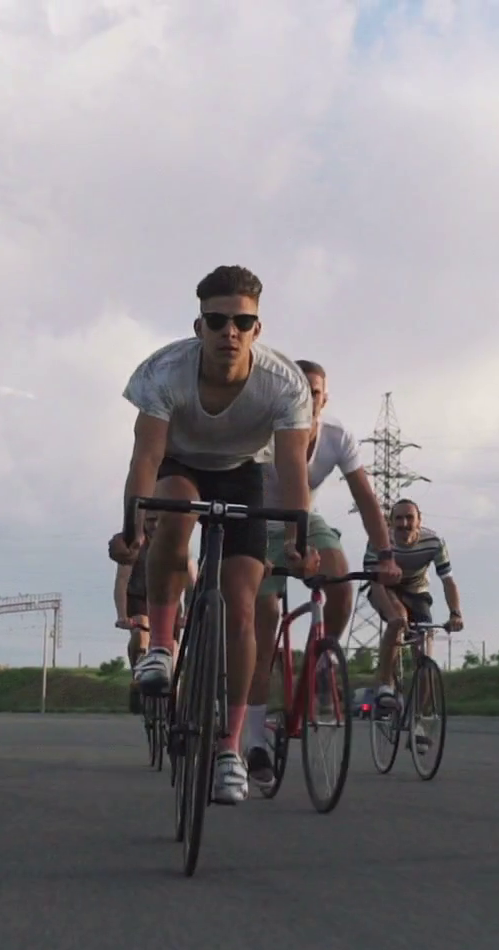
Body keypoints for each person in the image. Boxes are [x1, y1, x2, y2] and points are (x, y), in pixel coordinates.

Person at [108, 265, 317, 805]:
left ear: (256, 329)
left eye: (241, 322)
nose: (230, 331)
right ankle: (161, 644)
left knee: (243, 604)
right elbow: (145, 457)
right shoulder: (164, 372)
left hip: (243, 470)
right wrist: (132, 525)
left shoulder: (284, 382)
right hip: (181, 462)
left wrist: (297, 541)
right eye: (217, 320)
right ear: (198, 326)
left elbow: (292, 472)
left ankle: (229, 748)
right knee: (174, 506)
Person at [243, 360, 399, 788]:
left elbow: (366, 498)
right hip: (259, 524)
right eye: (300, 390)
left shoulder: (336, 437)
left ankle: (322, 660)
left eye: (316, 392)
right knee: (264, 624)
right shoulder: (264, 432)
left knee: (341, 582)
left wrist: (385, 552)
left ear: (324, 399)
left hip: (305, 521)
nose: (308, 398)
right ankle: (255, 742)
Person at [364, 499, 465, 729]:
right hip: (384, 587)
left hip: (417, 591)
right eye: (398, 518)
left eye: (410, 518)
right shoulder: (380, 541)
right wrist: (393, 617)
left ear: (420, 522)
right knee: (398, 619)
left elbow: (447, 580)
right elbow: (376, 584)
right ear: (390, 522)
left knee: (424, 653)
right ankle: (385, 687)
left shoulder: (434, 542)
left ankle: (416, 719)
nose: (404, 524)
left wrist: (455, 613)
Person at [112, 510, 195, 716]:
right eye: (150, 521)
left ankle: (173, 699)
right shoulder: (136, 544)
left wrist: (191, 613)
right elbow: (122, 581)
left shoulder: (178, 543)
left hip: (170, 599)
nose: (155, 526)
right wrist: (122, 615)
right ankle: (138, 677)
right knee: (141, 632)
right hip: (139, 597)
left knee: (173, 650)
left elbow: (193, 582)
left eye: (159, 520)